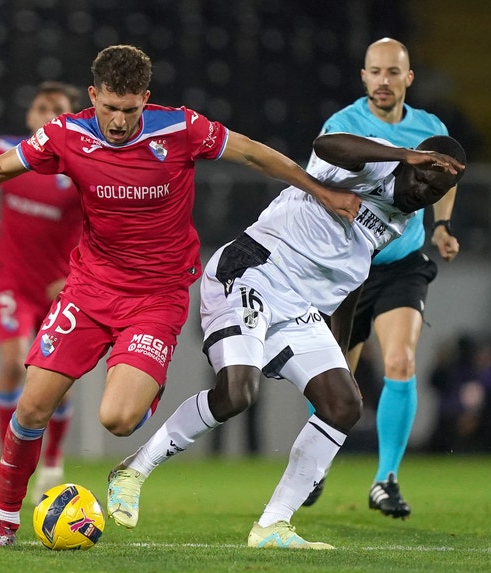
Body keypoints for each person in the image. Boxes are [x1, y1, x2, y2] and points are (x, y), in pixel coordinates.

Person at [0, 44, 364, 547]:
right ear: (93, 96)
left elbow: (254, 153)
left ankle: (141, 382)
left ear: (146, 98)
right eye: (108, 109)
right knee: (31, 408)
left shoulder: (180, 129)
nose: (118, 122)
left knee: (118, 420)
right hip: (89, 289)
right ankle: (5, 521)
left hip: (157, 296)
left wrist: (322, 190)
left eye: (129, 110)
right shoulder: (66, 135)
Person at [106, 133, 465, 549]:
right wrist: (404, 153)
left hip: (299, 306)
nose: (422, 192)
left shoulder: (399, 222)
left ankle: (273, 525)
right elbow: (327, 144)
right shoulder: (373, 164)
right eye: (421, 179)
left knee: (344, 404)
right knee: (238, 393)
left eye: (435, 192)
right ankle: (134, 469)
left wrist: (341, 353)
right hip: (253, 270)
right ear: (409, 163)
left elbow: (350, 281)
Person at [302, 37, 461, 519]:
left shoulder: (428, 127)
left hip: (402, 265)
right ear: (364, 77)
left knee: (401, 360)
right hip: (351, 267)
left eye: (393, 72)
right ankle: (314, 463)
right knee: (337, 380)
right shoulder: (344, 125)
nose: (384, 81)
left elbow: (445, 180)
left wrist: (441, 226)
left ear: (408, 78)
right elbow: (321, 187)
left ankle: (385, 479)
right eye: (375, 71)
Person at [0, 81, 83, 502]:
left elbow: (101, 222)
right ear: (30, 116)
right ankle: (8, 463)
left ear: (69, 116)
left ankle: (52, 460)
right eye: (41, 107)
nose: (48, 114)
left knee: (52, 380)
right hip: (11, 278)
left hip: (57, 286)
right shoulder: (6, 151)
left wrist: (76, 274)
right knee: (13, 363)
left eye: (57, 108)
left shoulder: (80, 164)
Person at [428, 333, 491, 454]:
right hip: (453, 422)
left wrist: (475, 417)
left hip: (486, 425)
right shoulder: (460, 371)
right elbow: (435, 382)